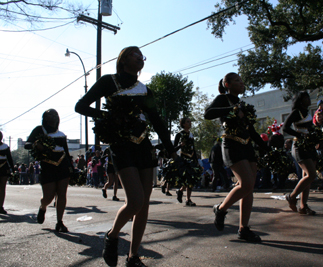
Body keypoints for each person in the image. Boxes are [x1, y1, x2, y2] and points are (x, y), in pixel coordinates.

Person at [75, 46, 177, 267]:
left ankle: (133, 256)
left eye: (142, 55)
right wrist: (107, 115)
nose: (140, 57)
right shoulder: (109, 82)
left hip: (144, 147)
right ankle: (112, 236)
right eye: (135, 54)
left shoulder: (145, 90)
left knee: (144, 205)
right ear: (122, 59)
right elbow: (80, 106)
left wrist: (170, 148)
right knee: (135, 202)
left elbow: (157, 121)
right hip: (121, 146)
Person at [204, 72, 268, 242]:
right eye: (237, 80)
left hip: (246, 146)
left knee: (249, 187)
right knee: (246, 183)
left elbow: (251, 131)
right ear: (227, 84)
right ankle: (221, 209)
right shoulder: (223, 99)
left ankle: (244, 228)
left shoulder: (242, 104)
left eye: (242, 80)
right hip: (231, 145)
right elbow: (208, 113)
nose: (241, 82)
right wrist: (232, 109)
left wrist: (265, 146)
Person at [24, 109, 73, 232]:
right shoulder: (39, 130)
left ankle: (59, 222)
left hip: (62, 165)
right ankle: (43, 206)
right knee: (49, 196)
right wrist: (37, 145)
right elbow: (27, 144)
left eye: (56, 114)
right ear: (45, 118)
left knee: (62, 194)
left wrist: (71, 167)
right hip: (47, 166)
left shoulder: (61, 134)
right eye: (50, 114)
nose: (54, 116)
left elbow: (66, 152)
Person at [282, 91, 317, 215]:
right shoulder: (296, 113)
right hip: (300, 147)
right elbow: (285, 128)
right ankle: (291, 197)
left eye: (308, 97)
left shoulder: (308, 113)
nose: (308, 99)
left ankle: (303, 206)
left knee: (306, 178)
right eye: (306, 97)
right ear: (300, 101)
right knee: (311, 175)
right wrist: (299, 134)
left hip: (310, 146)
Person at [174, 117, 199, 206]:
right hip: (183, 159)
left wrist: (196, 159)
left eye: (190, 122)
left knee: (191, 179)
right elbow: (173, 148)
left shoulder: (191, 134)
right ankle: (181, 192)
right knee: (187, 179)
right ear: (183, 124)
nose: (190, 123)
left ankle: (186, 197)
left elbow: (193, 148)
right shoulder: (179, 134)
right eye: (188, 122)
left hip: (191, 159)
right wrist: (180, 145)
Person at [0, 131, 16, 214]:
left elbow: (9, 158)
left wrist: (13, 170)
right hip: (3, 167)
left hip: (3, 168)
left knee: (2, 188)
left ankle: (0, 206)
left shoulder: (5, 147)